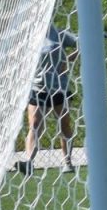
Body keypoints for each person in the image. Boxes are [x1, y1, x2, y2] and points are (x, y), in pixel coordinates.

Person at [16, 25, 77, 175]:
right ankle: (29, 162)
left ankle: (68, 162)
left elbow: (81, 44)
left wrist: (67, 61)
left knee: (64, 124)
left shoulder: (58, 34)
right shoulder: (29, 33)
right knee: (35, 125)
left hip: (58, 87)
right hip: (38, 87)